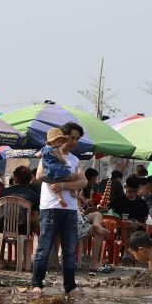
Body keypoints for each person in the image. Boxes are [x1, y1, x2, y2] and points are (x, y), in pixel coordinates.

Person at [29, 122, 88, 294]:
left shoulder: (75, 159)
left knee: (69, 250)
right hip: (50, 207)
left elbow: (82, 181)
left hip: (69, 209)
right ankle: (36, 283)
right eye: (72, 138)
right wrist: (70, 181)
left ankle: (70, 286)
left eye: (77, 139)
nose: (74, 142)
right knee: (44, 248)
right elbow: (40, 175)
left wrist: (63, 184)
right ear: (62, 137)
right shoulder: (48, 152)